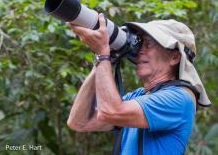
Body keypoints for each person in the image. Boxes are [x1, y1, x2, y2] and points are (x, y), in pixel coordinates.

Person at [66, 13, 211, 155]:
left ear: (174, 57)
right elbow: (79, 122)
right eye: (140, 44)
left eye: (148, 44)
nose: (140, 50)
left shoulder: (179, 98)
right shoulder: (138, 96)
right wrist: (104, 59)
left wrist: (102, 53)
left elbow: (111, 111)